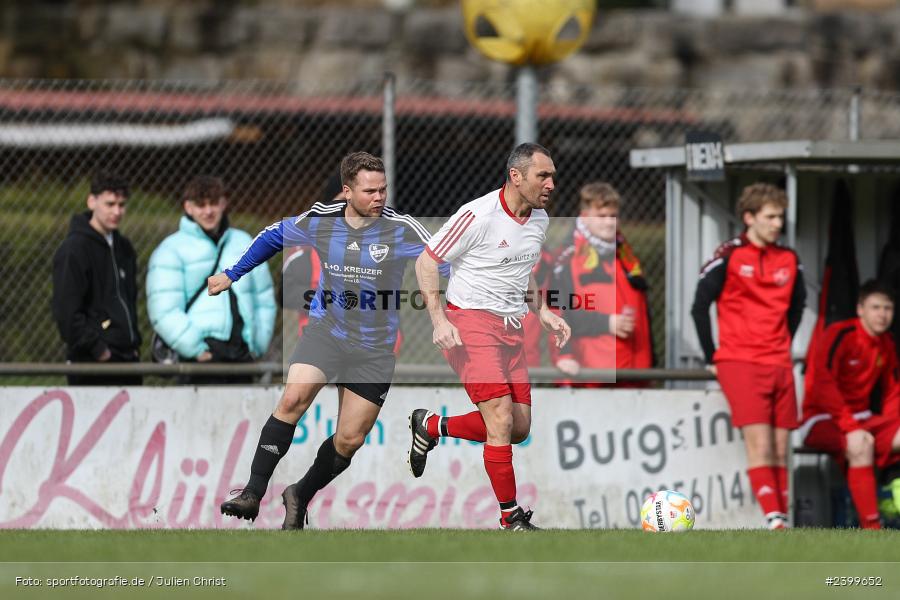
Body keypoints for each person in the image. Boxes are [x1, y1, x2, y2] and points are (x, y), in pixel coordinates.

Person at [211, 152, 444, 528]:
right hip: (327, 333)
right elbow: (273, 236)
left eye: (383, 189)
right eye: (370, 191)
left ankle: (299, 495)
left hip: (374, 350)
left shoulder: (401, 228)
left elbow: (442, 259)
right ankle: (253, 492)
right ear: (346, 192)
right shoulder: (322, 218)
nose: (380, 197)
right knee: (292, 399)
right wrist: (231, 274)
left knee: (350, 440)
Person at [409, 142, 571, 530]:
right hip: (470, 326)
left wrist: (543, 311)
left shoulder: (540, 219)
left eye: (552, 177)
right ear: (516, 176)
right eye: (542, 176)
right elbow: (427, 260)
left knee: (517, 428)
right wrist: (438, 320)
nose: (550, 184)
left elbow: (522, 269)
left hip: (512, 327)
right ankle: (510, 517)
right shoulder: (478, 214)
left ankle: (430, 426)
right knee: (498, 417)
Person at [691, 182, 806, 530]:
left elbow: (798, 306)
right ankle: (775, 519)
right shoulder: (728, 255)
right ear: (749, 217)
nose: (777, 224)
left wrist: (781, 342)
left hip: (779, 362)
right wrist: (713, 355)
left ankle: (781, 517)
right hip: (740, 361)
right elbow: (699, 306)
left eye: (780, 217)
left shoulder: (789, 259)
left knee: (781, 445)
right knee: (760, 444)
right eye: (770, 217)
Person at [146, 176, 276, 384]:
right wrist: (196, 349)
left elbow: (264, 298)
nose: (208, 211)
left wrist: (257, 344)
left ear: (224, 204)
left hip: (241, 355)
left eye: (214, 203)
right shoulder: (171, 249)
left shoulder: (244, 241)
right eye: (201, 205)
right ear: (188, 207)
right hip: (201, 359)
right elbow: (164, 310)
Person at [800, 280, 900, 529]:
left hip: (862, 420)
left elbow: (892, 393)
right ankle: (872, 529)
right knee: (860, 444)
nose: (882, 314)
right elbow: (823, 384)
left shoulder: (886, 343)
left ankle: (891, 491)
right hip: (822, 418)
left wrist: (889, 432)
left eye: (888, 308)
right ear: (860, 309)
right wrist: (850, 426)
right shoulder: (840, 334)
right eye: (875, 307)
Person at [551, 182, 653, 385]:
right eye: (601, 216)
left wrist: (650, 365)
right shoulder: (568, 260)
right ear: (585, 215)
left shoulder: (626, 257)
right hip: (592, 376)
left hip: (634, 373)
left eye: (613, 216)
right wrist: (564, 355)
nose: (609, 223)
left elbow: (644, 314)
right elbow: (557, 313)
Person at [52, 171, 142, 386]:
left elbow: (128, 302)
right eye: (109, 204)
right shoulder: (74, 249)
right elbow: (67, 312)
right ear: (92, 202)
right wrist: (98, 350)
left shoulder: (124, 248)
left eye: (121, 205)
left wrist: (133, 345)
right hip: (93, 366)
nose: (117, 211)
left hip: (128, 360)